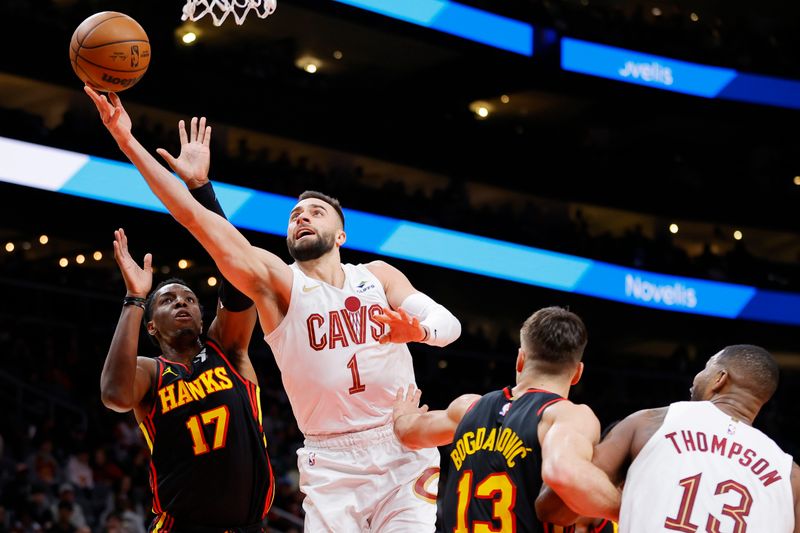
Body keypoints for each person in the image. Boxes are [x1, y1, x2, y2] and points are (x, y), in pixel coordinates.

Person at [86, 87, 462, 532]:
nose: (302, 217)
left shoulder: (378, 275)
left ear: (340, 235)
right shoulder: (279, 283)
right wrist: (128, 141)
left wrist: (415, 330)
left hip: (400, 440)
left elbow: (449, 324)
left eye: (315, 212)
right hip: (332, 458)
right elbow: (194, 219)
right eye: (295, 214)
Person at [99, 121, 274, 531]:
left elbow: (240, 274)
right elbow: (114, 396)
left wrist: (201, 189)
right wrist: (134, 298)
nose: (182, 302)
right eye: (168, 300)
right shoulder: (149, 371)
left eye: (190, 299)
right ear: (152, 326)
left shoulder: (227, 351)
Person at [392, 306, 620, 532]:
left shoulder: (468, 407)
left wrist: (403, 413)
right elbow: (565, 473)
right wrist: (629, 508)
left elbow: (407, 432)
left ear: (520, 359)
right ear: (577, 373)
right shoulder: (565, 416)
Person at [538, 344, 800, 532]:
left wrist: (629, 505)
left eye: (706, 368)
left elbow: (555, 508)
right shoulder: (791, 477)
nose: (695, 379)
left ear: (719, 379)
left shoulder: (652, 423)